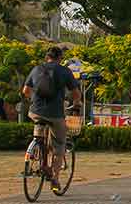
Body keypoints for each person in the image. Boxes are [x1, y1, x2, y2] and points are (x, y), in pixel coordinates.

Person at [22, 46, 82, 191]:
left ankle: (36, 148)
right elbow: (76, 93)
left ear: (46, 57)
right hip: (55, 114)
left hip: (35, 112)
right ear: (60, 58)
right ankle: (55, 178)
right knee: (59, 145)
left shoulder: (36, 69)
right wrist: (76, 103)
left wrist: (34, 101)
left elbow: (25, 91)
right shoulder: (65, 71)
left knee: (39, 128)